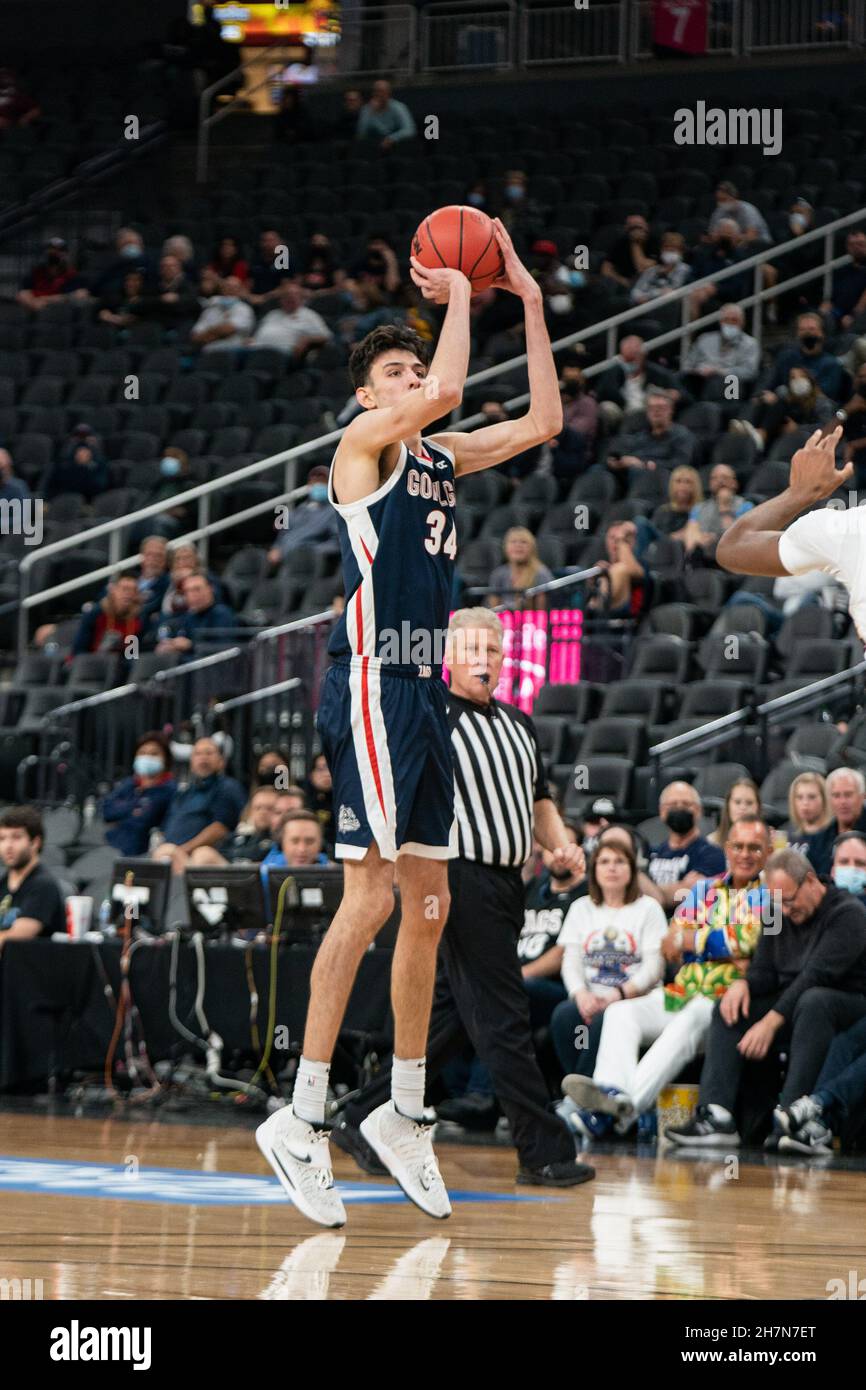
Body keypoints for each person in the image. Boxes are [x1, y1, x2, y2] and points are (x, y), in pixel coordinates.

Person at [255, 218, 579, 1228]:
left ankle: (401, 1109)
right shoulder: (361, 447)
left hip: (423, 692)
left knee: (426, 904)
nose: (410, 380)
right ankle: (301, 1116)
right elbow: (441, 391)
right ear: (365, 394)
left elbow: (542, 424)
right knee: (367, 897)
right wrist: (456, 298)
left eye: (410, 365)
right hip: (367, 683)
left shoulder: (437, 454)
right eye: (391, 370)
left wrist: (523, 298)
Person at [328, 609, 595, 1187]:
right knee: (503, 1015)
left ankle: (360, 1116)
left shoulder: (520, 726)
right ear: (446, 655)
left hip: (506, 884)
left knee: (447, 1019)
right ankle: (543, 1150)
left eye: (494, 650)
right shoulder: (426, 716)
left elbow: (541, 801)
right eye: (471, 648)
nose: (484, 659)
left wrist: (561, 846)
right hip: (452, 879)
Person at [563, 818, 771, 1137]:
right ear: (726, 849)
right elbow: (670, 944)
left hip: (723, 1002)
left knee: (685, 1023)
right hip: (681, 990)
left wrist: (696, 942)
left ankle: (616, 1113)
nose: (745, 854)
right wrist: (717, 945)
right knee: (620, 1013)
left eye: (754, 847)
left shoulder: (772, 895)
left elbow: (750, 942)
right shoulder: (703, 888)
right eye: (738, 846)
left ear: (768, 852)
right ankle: (614, 1097)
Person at [665, 849, 866, 1146]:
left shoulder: (849, 913)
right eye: (776, 902)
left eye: (789, 900)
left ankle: (791, 1117)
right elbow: (765, 970)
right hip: (793, 1000)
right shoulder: (775, 910)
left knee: (814, 1000)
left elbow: (816, 975)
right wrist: (742, 985)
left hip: (847, 1004)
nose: (783, 910)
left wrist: (770, 1023)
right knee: (728, 1006)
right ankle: (717, 1117)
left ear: (811, 881)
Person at [716, 426, 866, 661]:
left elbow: (733, 546)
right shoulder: (850, 528)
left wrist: (799, 493)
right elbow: (732, 548)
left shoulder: (851, 528)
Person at [549, 838, 667, 1109]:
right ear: (593, 870)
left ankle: (580, 1101)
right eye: (604, 862)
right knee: (565, 1017)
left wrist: (620, 993)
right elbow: (571, 961)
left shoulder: (648, 908)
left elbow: (654, 968)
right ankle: (581, 1094)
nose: (612, 868)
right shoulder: (581, 908)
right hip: (591, 997)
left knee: (608, 1018)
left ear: (632, 870)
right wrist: (580, 995)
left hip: (634, 999)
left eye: (619, 861)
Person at [153, 737, 246, 874]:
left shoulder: (226, 787)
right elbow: (165, 827)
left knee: (198, 855)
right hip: (172, 856)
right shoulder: (183, 792)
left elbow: (220, 828)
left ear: (221, 761)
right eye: (198, 754)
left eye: (209, 753)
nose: (203, 758)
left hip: (202, 858)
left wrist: (182, 850)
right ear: (191, 762)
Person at [647, 781, 726, 911]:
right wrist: (680, 885)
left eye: (686, 804)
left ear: (698, 811)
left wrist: (648, 891)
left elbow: (685, 893)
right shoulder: (651, 853)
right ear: (662, 811)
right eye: (673, 804)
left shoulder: (712, 854)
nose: (679, 808)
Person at [101, 733, 175, 857]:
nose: (147, 758)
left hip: (141, 854)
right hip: (111, 848)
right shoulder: (129, 784)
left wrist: (124, 810)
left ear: (165, 759)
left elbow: (146, 819)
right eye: (142, 753)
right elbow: (107, 811)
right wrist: (133, 807)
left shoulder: (170, 789)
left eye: (154, 754)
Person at [0, 807, 65, 948]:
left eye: (16, 837)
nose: (8, 846)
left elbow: (16, 939)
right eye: (2, 838)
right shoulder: (2, 883)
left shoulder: (43, 886)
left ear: (35, 842)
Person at [735, 366, 835, 454]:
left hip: (805, 438)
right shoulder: (787, 396)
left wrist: (798, 428)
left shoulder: (822, 402)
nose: (797, 380)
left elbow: (826, 426)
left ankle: (759, 435)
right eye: (793, 378)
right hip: (783, 434)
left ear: (810, 380)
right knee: (773, 404)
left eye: (802, 377)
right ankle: (753, 433)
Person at [603, 391, 696, 484]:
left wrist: (644, 464)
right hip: (630, 477)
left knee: (637, 471)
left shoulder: (682, 435)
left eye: (661, 407)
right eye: (652, 408)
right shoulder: (641, 436)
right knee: (599, 469)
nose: (656, 411)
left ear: (671, 410)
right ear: (647, 412)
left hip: (662, 481)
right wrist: (617, 462)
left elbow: (680, 464)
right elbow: (626, 454)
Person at [594, 335, 683, 429]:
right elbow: (600, 393)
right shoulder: (614, 372)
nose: (629, 364)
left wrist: (673, 395)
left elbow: (682, 394)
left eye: (632, 359)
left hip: (646, 411)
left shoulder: (658, 373)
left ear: (642, 355)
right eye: (626, 360)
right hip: (622, 409)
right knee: (606, 407)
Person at [681, 303, 761, 403]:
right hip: (701, 381)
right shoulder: (705, 339)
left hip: (730, 384)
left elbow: (750, 372)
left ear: (742, 323)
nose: (730, 323)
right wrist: (700, 370)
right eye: (726, 320)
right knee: (681, 378)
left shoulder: (750, 344)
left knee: (726, 381)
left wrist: (720, 371)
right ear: (720, 322)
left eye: (734, 320)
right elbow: (687, 365)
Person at [762, 312, 848, 404]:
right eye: (802, 329)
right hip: (785, 408)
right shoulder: (786, 357)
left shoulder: (832, 364)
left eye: (812, 329)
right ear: (797, 334)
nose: (807, 333)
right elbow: (768, 386)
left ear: (822, 333)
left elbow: (826, 396)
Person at [266, 464, 339, 568]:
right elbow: (284, 534)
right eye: (314, 482)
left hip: (308, 565)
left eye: (322, 482)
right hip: (284, 563)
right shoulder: (301, 508)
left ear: (330, 485)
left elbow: (336, 544)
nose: (317, 485)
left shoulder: (334, 512)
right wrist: (276, 548)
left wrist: (308, 552)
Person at [801, 767, 866, 876]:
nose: (842, 802)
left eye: (848, 795)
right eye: (836, 795)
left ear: (862, 797)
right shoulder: (818, 841)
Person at [681, 462, 753, 560]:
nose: (720, 481)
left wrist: (724, 507)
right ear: (710, 484)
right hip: (705, 559)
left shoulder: (745, 506)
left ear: (734, 483)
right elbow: (690, 540)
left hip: (735, 559)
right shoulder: (699, 508)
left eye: (725, 477)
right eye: (715, 478)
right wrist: (701, 540)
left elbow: (738, 540)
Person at [154, 573, 237, 656]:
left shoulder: (222, 614)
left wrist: (191, 645)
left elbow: (224, 648)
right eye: (187, 591)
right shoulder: (189, 616)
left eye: (197, 589)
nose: (192, 595)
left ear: (210, 589)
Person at [248, 279, 332, 359]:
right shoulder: (272, 314)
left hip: (281, 353)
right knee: (236, 351)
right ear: (281, 299)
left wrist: (307, 339)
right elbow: (259, 333)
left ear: (301, 298)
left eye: (295, 295)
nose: (291, 297)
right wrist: (252, 340)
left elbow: (326, 336)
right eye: (287, 295)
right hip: (256, 349)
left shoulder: (309, 315)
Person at [585, 519, 650, 619]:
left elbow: (633, 571)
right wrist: (592, 581)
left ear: (632, 542)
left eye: (622, 538)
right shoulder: (603, 567)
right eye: (612, 538)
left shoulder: (640, 565)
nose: (616, 542)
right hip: (595, 620)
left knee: (618, 569)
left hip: (624, 622)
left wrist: (621, 540)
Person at [72, 574, 142, 656]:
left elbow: (131, 655)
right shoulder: (95, 614)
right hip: (89, 662)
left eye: (133, 590)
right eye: (124, 589)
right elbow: (79, 649)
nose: (128, 594)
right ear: (113, 591)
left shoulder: (137, 620)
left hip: (117, 665)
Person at [487, 527, 553, 609]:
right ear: (505, 548)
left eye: (524, 542)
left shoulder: (541, 573)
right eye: (513, 542)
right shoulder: (498, 573)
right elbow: (494, 610)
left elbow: (541, 613)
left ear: (532, 548)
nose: (518, 545)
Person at [190, 271, 254, 352]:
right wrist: (216, 333)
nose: (230, 290)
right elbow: (195, 336)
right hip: (207, 353)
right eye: (227, 287)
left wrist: (207, 335)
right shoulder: (211, 308)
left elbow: (228, 329)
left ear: (240, 291)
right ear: (222, 289)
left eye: (234, 287)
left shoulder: (244, 309)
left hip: (231, 353)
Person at [45, 424, 110, 501]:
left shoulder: (100, 464)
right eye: (78, 438)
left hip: (88, 502)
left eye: (86, 437)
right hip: (61, 501)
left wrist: (85, 467)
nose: (82, 441)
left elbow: (99, 488)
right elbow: (51, 487)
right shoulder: (62, 464)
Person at [17, 238, 83, 312]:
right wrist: (34, 303)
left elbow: (75, 295)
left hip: (60, 310)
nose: (54, 253)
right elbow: (24, 293)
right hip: (36, 308)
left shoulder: (71, 275)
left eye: (59, 250)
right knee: (22, 295)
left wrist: (45, 299)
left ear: (65, 254)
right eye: (51, 250)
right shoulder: (36, 272)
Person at [820, 227, 866, 331]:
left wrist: (853, 315)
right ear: (847, 248)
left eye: (861, 244)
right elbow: (831, 298)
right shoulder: (842, 271)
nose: (856, 248)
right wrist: (823, 310)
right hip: (839, 313)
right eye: (852, 245)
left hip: (859, 316)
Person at [600, 213, 659, 292]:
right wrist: (622, 280)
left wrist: (635, 243)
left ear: (646, 227)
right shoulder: (620, 243)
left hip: (649, 282)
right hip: (625, 283)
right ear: (626, 229)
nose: (636, 231)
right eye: (633, 228)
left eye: (639, 227)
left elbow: (641, 268)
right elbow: (605, 269)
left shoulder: (654, 241)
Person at [630, 231, 691, 304]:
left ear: (681, 252)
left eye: (674, 248)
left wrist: (648, 296)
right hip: (644, 305)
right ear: (661, 250)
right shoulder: (652, 270)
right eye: (666, 247)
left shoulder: (684, 269)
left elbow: (672, 290)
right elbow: (636, 291)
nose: (670, 250)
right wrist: (642, 298)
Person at [356, 79, 416, 149]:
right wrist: (371, 113)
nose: (378, 94)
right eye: (376, 91)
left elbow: (410, 130)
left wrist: (391, 138)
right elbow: (361, 134)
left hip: (396, 145)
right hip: (374, 146)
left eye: (381, 91)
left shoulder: (398, 107)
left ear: (388, 93)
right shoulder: (367, 109)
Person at [707, 180, 772, 245]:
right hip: (733, 244)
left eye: (723, 199)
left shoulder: (748, 210)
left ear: (733, 197)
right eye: (718, 200)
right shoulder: (719, 211)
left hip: (759, 245)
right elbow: (712, 233)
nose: (720, 203)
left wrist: (729, 236)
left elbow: (751, 236)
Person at [783, 771, 831, 857]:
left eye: (812, 797)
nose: (805, 803)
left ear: (824, 799)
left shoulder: (833, 836)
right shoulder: (785, 834)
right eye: (799, 797)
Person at [651, 466, 703, 541]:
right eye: (678, 481)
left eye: (688, 482)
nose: (682, 486)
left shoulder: (702, 511)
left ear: (695, 486)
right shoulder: (662, 511)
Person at [707, 779, 762, 848]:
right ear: (728, 806)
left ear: (758, 807)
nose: (743, 807)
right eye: (737, 802)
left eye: (749, 803)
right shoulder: (711, 842)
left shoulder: (770, 841)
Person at [245, 229, 294, 306]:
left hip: (276, 298)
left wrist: (264, 298)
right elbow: (249, 283)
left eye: (272, 240)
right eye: (265, 241)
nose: (268, 244)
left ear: (280, 242)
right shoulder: (255, 260)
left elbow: (285, 286)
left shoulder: (286, 260)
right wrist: (249, 296)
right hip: (254, 298)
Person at [303, 752, 334, 853]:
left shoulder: (347, 803)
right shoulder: (302, 801)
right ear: (311, 774)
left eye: (331, 768)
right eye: (320, 769)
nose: (326, 774)